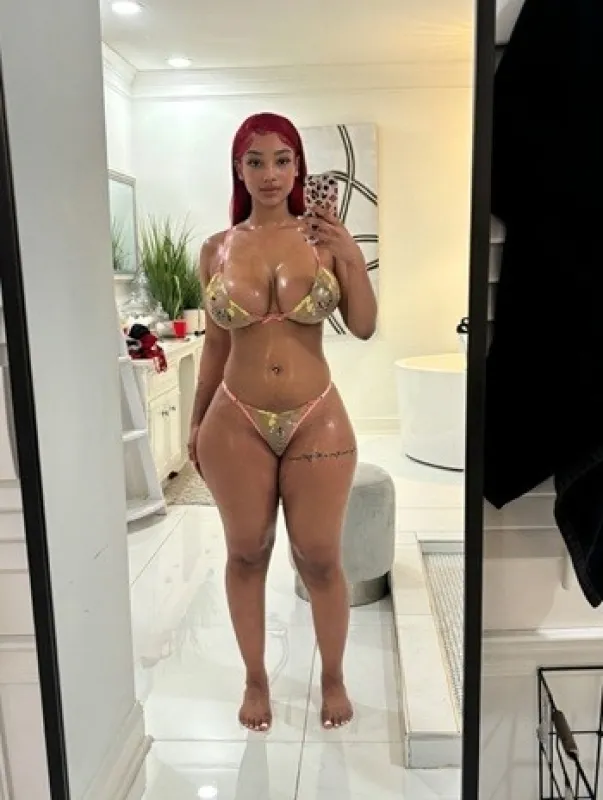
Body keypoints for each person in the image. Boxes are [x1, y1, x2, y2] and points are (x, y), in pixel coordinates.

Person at [187, 112, 377, 733]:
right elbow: (215, 345)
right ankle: (255, 677)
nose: (269, 173)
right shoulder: (216, 249)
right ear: (238, 170)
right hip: (234, 419)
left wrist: (350, 257)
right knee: (247, 553)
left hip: (316, 416)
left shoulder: (323, 239)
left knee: (319, 557)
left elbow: (365, 325)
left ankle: (333, 676)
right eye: (255, 161)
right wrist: (195, 422)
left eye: (282, 159)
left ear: (298, 168)